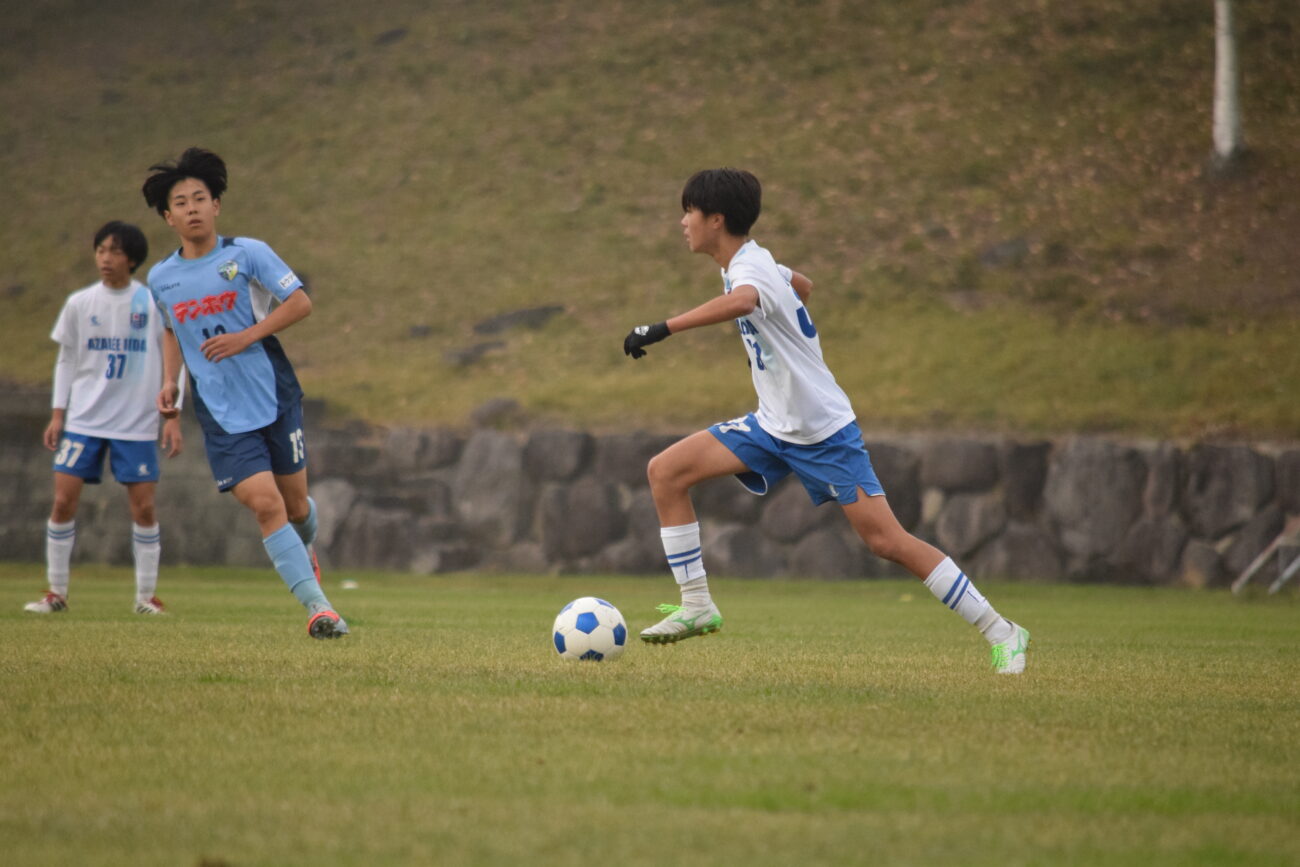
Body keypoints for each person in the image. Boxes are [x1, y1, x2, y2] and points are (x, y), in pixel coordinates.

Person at [622, 168, 1030, 674]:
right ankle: (697, 605)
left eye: (689, 212)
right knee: (665, 471)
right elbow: (804, 286)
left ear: (716, 219)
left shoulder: (749, 270)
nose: (683, 222)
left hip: (823, 434)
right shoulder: (754, 261)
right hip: (772, 426)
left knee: (887, 542)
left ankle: (1003, 630)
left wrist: (662, 329)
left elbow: (747, 300)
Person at [141, 147, 348, 639]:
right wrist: (170, 385)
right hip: (221, 411)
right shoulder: (161, 278)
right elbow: (172, 331)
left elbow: (300, 303)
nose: (192, 208)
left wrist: (246, 336)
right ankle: (320, 610)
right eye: (181, 202)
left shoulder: (247, 253)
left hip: (273, 394)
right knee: (264, 502)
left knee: (296, 507)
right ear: (168, 217)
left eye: (200, 198)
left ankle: (306, 553)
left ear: (216, 206)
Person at [25, 221, 184, 615]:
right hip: (84, 421)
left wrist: (172, 415)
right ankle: (56, 593)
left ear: (132, 258)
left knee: (144, 509)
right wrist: (57, 414)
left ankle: (146, 598)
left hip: (135, 423)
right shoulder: (80, 303)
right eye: (100, 250)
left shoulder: (151, 304)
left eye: (113, 251)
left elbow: (175, 360)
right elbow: (67, 360)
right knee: (62, 501)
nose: (105, 258)